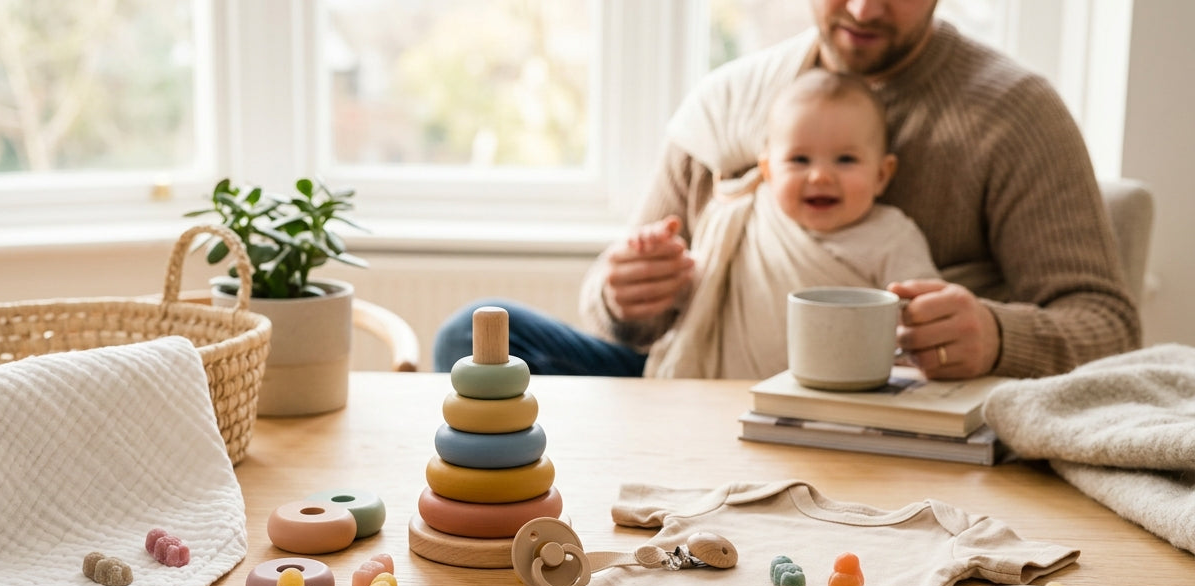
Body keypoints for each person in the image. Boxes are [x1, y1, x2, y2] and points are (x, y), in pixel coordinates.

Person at [433, 0, 1140, 380]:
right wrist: (625, 298)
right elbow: (613, 316)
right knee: (473, 337)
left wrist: (995, 335)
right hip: (700, 388)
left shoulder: (1013, 114)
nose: (863, 8)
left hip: (881, 411)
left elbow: (1109, 326)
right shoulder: (731, 101)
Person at [639, 67, 938, 379]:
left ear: (881, 175)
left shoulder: (892, 236)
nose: (820, 176)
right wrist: (661, 264)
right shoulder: (740, 219)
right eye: (799, 160)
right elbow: (704, 293)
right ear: (767, 169)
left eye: (846, 160)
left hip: (842, 401)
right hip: (725, 392)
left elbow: (924, 316)